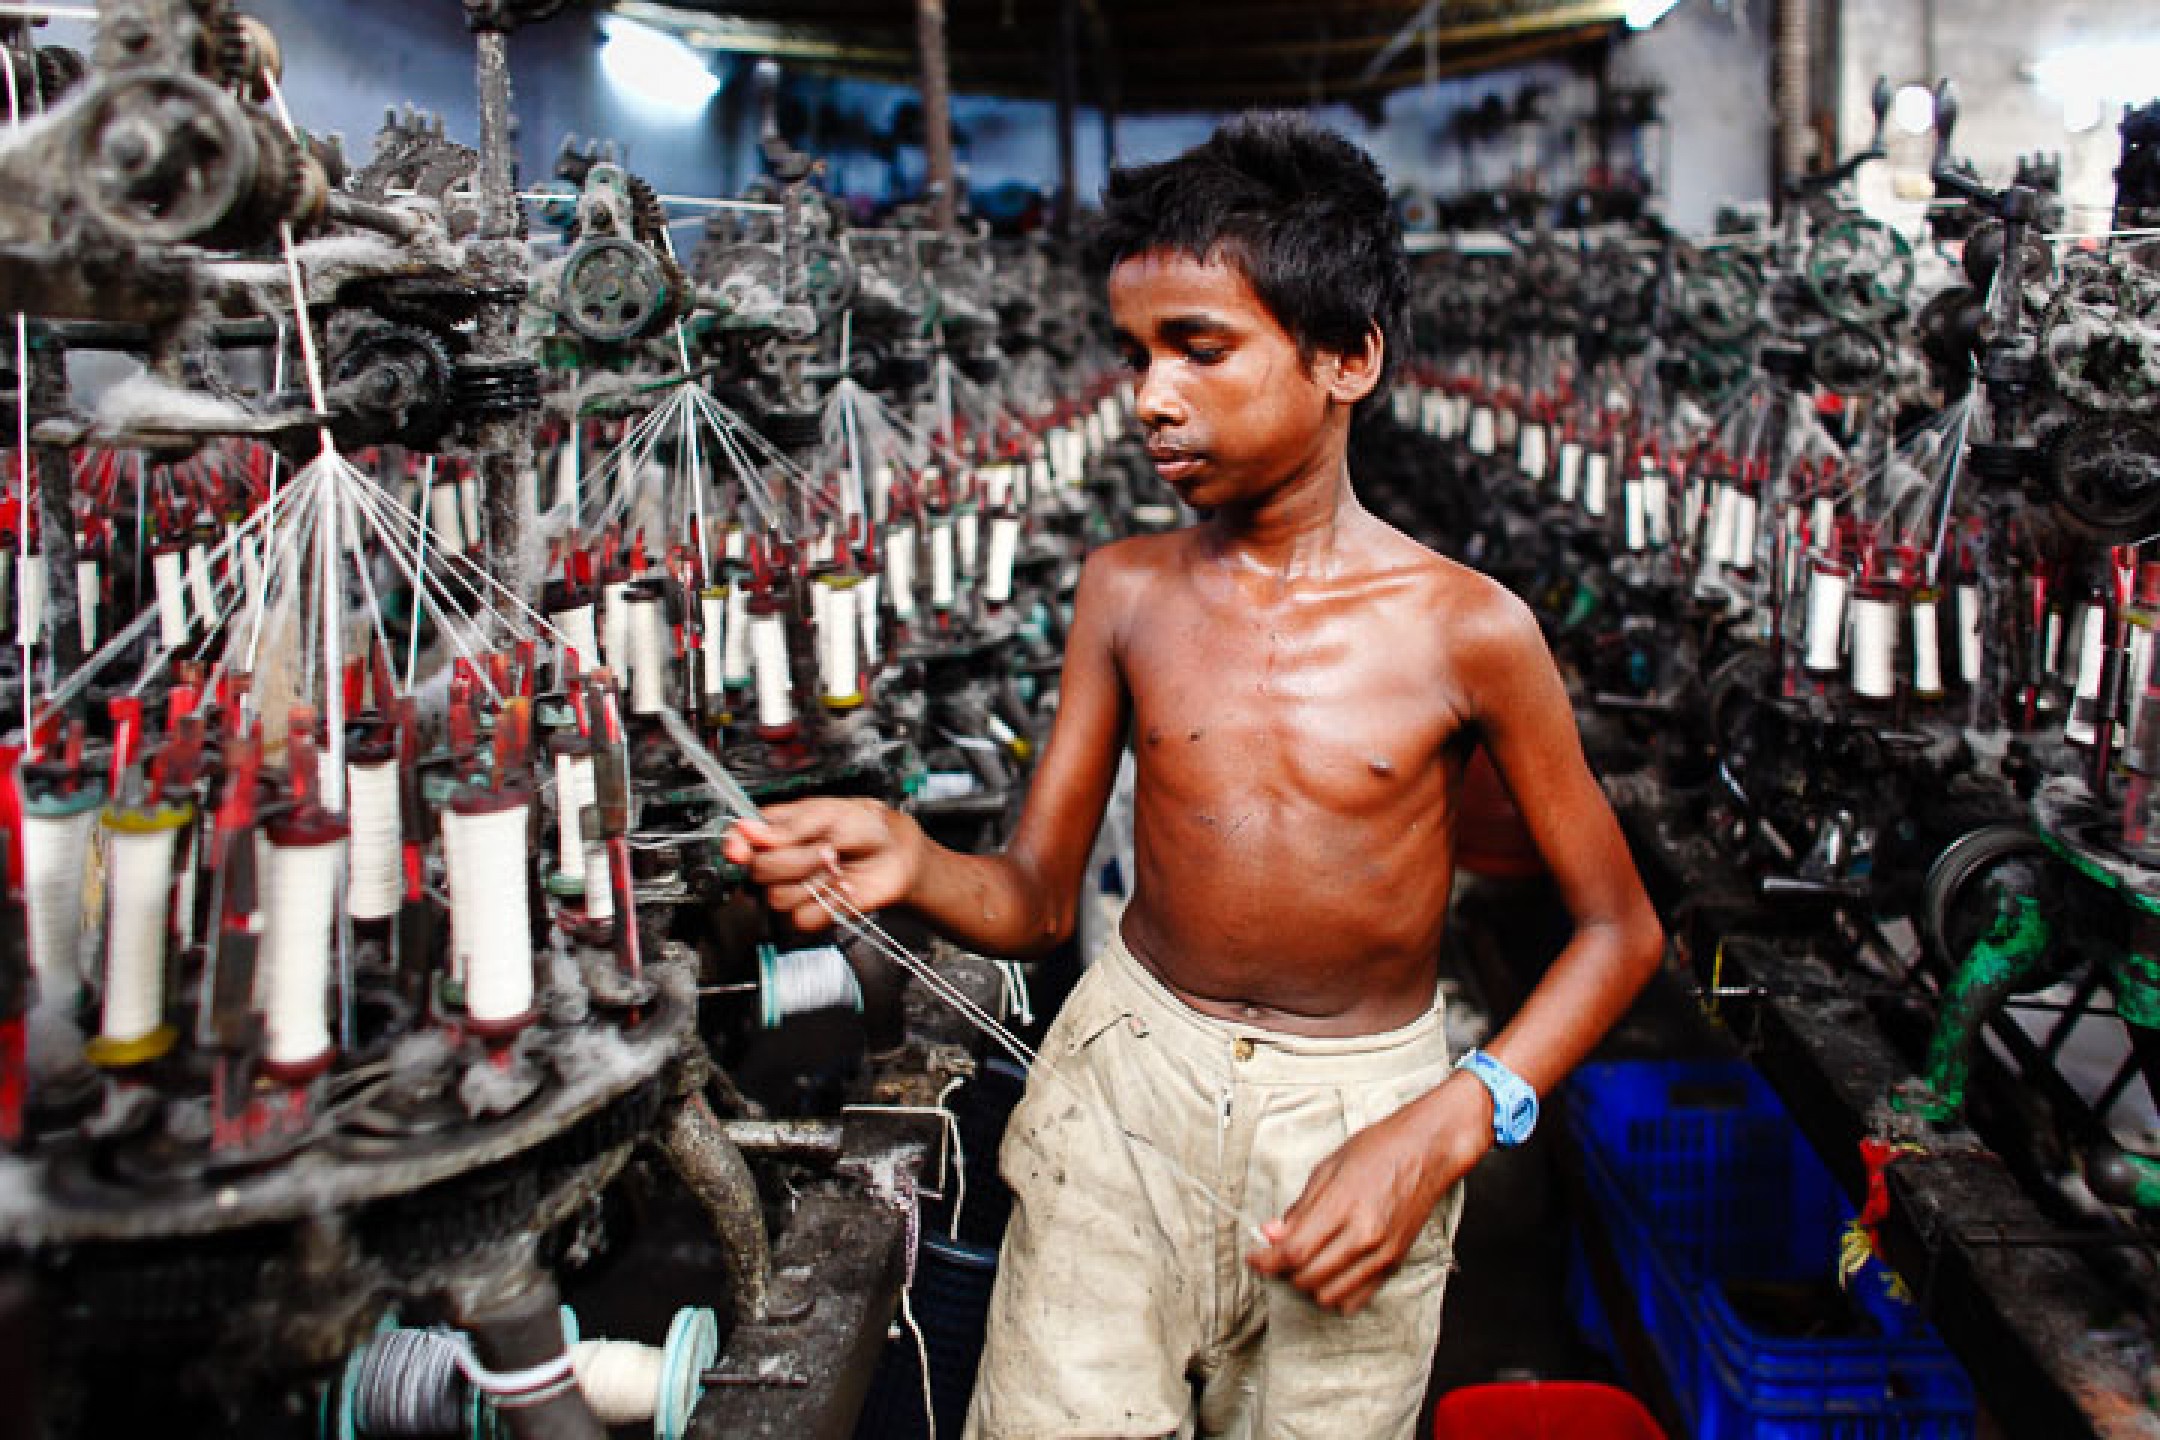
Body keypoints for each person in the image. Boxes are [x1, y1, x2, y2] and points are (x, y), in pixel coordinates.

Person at [722, 113, 1664, 1440]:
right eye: (1137, 353)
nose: (1150, 394)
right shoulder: (1124, 595)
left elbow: (1621, 928)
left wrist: (1456, 1117)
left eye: (1199, 348)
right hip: (1127, 1087)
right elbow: (1042, 902)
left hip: (1362, 1119)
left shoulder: (1470, 630)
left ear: (1348, 358)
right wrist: (916, 862)